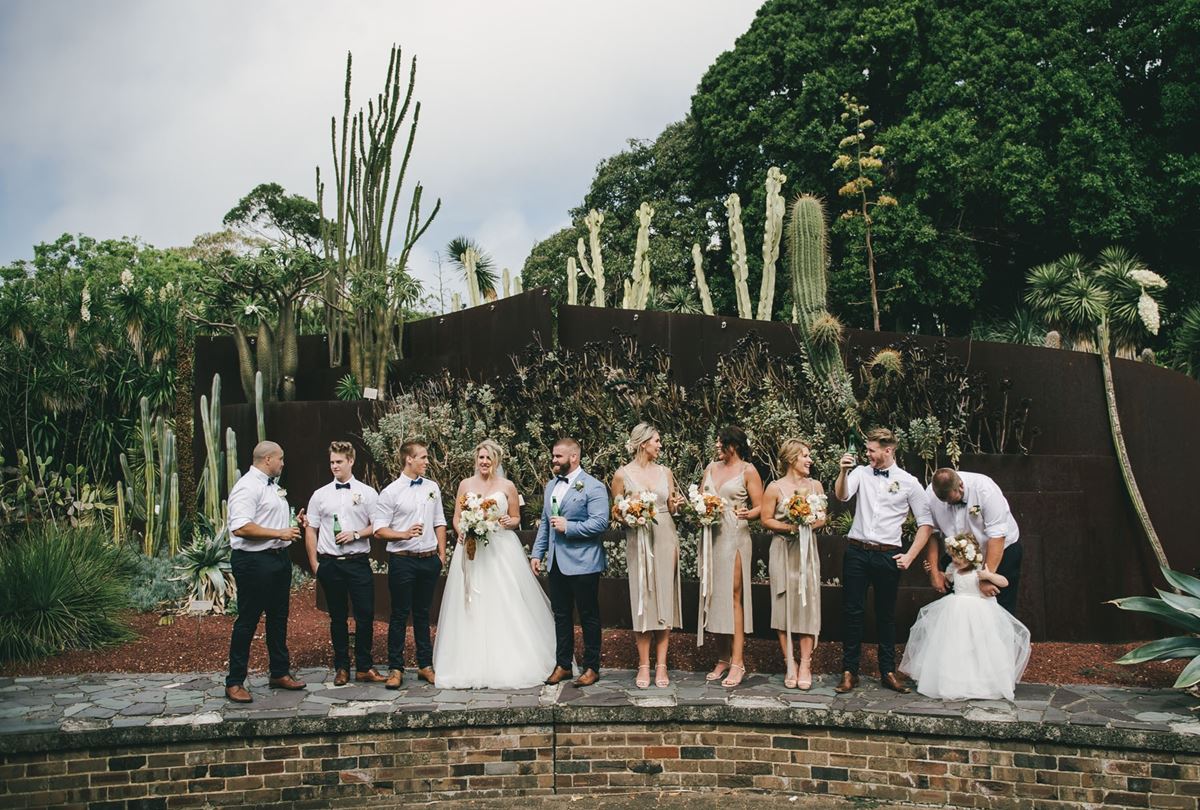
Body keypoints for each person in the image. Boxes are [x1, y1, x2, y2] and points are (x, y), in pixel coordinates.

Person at [433, 439, 556, 688]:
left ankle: (510, 660)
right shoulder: (465, 485)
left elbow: (515, 518)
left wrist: (501, 522)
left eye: (488, 458)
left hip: (500, 549)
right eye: (481, 458)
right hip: (471, 551)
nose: (484, 462)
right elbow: (457, 517)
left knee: (504, 599)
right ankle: (467, 663)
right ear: (476, 460)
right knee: (470, 604)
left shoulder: (507, 486)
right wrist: (464, 529)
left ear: (496, 460)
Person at [833, 427, 934, 694]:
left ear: (888, 450)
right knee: (852, 612)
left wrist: (910, 556)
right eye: (867, 449)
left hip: (888, 555)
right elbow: (842, 495)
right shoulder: (860, 473)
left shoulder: (909, 482)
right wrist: (843, 471)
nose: (867, 454)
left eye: (871, 450)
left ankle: (887, 671)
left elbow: (926, 523)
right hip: (857, 551)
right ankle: (849, 671)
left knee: (886, 615)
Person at [899, 533, 1031, 700]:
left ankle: (980, 682)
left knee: (978, 646)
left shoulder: (979, 571)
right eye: (952, 557)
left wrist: (989, 576)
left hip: (978, 613)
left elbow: (1004, 582)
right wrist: (932, 571)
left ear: (970, 557)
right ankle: (953, 681)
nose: (954, 561)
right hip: (955, 613)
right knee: (954, 646)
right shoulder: (953, 570)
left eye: (957, 558)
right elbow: (945, 580)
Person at [224, 440, 308, 703]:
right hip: (253, 562)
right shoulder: (247, 487)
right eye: (281, 459)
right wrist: (280, 533)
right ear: (268, 459)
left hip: (278, 559)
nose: (283, 464)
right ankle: (235, 681)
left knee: (278, 618)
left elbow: (268, 521)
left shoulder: (272, 487)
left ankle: (279, 672)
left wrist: (293, 523)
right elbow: (241, 527)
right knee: (248, 620)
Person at [530, 437, 610, 687]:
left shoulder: (593, 487)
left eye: (558, 456)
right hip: (556, 563)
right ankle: (563, 665)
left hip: (584, 562)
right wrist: (537, 553)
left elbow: (600, 523)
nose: (554, 460)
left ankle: (591, 667)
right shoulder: (551, 486)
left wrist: (569, 526)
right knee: (561, 615)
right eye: (553, 456)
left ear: (574, 457)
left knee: (589, 616)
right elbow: (546, 522)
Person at [611, 423, 684, 689]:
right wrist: (630, 517)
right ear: (643, 444)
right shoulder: (622, 475)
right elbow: (616, 512)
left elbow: (671, 505)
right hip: (638, 539)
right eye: (657, 440)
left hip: (665, 536)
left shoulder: (666, 472)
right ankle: (643, 664)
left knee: (664, 598)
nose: (660, 445)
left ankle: (661, 665)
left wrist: (675, 507)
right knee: (643, 598)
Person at [304, 441, 383, 687]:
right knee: (337, 617)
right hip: (330, 564)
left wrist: (356, 534)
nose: (335, 466)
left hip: (358, 562)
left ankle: (364, 666)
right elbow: (311, 529)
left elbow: (378, 525)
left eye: (339, 462)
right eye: (332, 462)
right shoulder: (320, 495)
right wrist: (315, 565)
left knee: (365, 615)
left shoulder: (368, 493)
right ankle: (341, 667)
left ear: (351, 461)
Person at [373, 440, 447, 689]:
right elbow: (379, 530)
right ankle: (396, 668)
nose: (427, 461)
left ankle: (425, 665)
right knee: (399, 615)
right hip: (402, 561)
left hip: (428, 561)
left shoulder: (432, 487)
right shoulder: (391, 492)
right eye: (423, 457)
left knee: (424, 614)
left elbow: (439, 521)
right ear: (409, 460)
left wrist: (441, 554)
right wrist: (403, 534)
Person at [698, 426, 763, 688]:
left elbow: (760, 506)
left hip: (735, 537)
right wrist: (700, 509)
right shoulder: (710, 468)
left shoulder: (748, 471)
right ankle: (722, 657)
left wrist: (751, 513)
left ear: (732, 445)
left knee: (734, 596)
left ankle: (738, 661)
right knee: (714, 595)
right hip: (712, 536)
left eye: (719, 441)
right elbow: (701, 498)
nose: (716, 446)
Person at [760, 439, 825, 691]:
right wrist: (790, 527)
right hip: (782, 550)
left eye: (809, 456)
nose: (809, 460)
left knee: (807, 605)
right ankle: (790, 663)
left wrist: (806, 523)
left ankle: (806, 664)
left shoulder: (815, 485)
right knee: (783, 603)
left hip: (807, 550)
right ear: (791, 459)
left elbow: (823, 518)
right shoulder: (774, 488)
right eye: (805, 456)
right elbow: (766, 520)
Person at [925, 468, 1022, 615]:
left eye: (952, 500)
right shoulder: (930, 495)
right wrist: (934, 572)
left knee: (999, 610)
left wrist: (987, 578)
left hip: (1000, 551)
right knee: (958, 610)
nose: (948, 505)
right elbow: (931, 533)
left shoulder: (985, 489)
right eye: (944, 502)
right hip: (959, 558)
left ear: (961, 486)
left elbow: (997, 536)